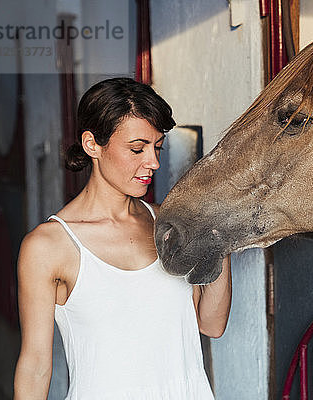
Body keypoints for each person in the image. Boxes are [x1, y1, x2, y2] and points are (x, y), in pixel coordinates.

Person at [13, 78, 231, 399]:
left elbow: (211, 324)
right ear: (92, 145)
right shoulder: (49, 247)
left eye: (157, 147)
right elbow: (35, 366)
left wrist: (219, 238)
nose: (153, 162)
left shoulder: (170, 226)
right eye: (136, 148)